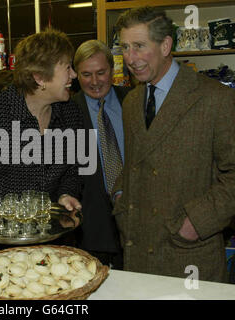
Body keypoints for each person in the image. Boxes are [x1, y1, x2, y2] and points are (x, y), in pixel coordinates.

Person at [113, 6, 235, 282]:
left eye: (139, 46)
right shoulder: (132, 101)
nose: (130, 58)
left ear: (166, 45)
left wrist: (196, 222)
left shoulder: (215, 99)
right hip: (137, 251)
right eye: (125, 47)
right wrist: (120, 194)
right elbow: (134, 163)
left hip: (187, 255)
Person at [0, 29, 84, 251]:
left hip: (48, 235)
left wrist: (66, 193)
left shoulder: (70, 113)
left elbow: (73, 168)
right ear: (39, 77)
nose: (74, 75)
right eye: (67, 68)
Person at [72, 40, 130, 268]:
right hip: (90, 229)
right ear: (76, 74)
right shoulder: (66, 111)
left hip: (137, 223)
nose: (95, 82)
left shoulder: (134, 101)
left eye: (101, 72)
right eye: (86, 74)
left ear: (113, 70)